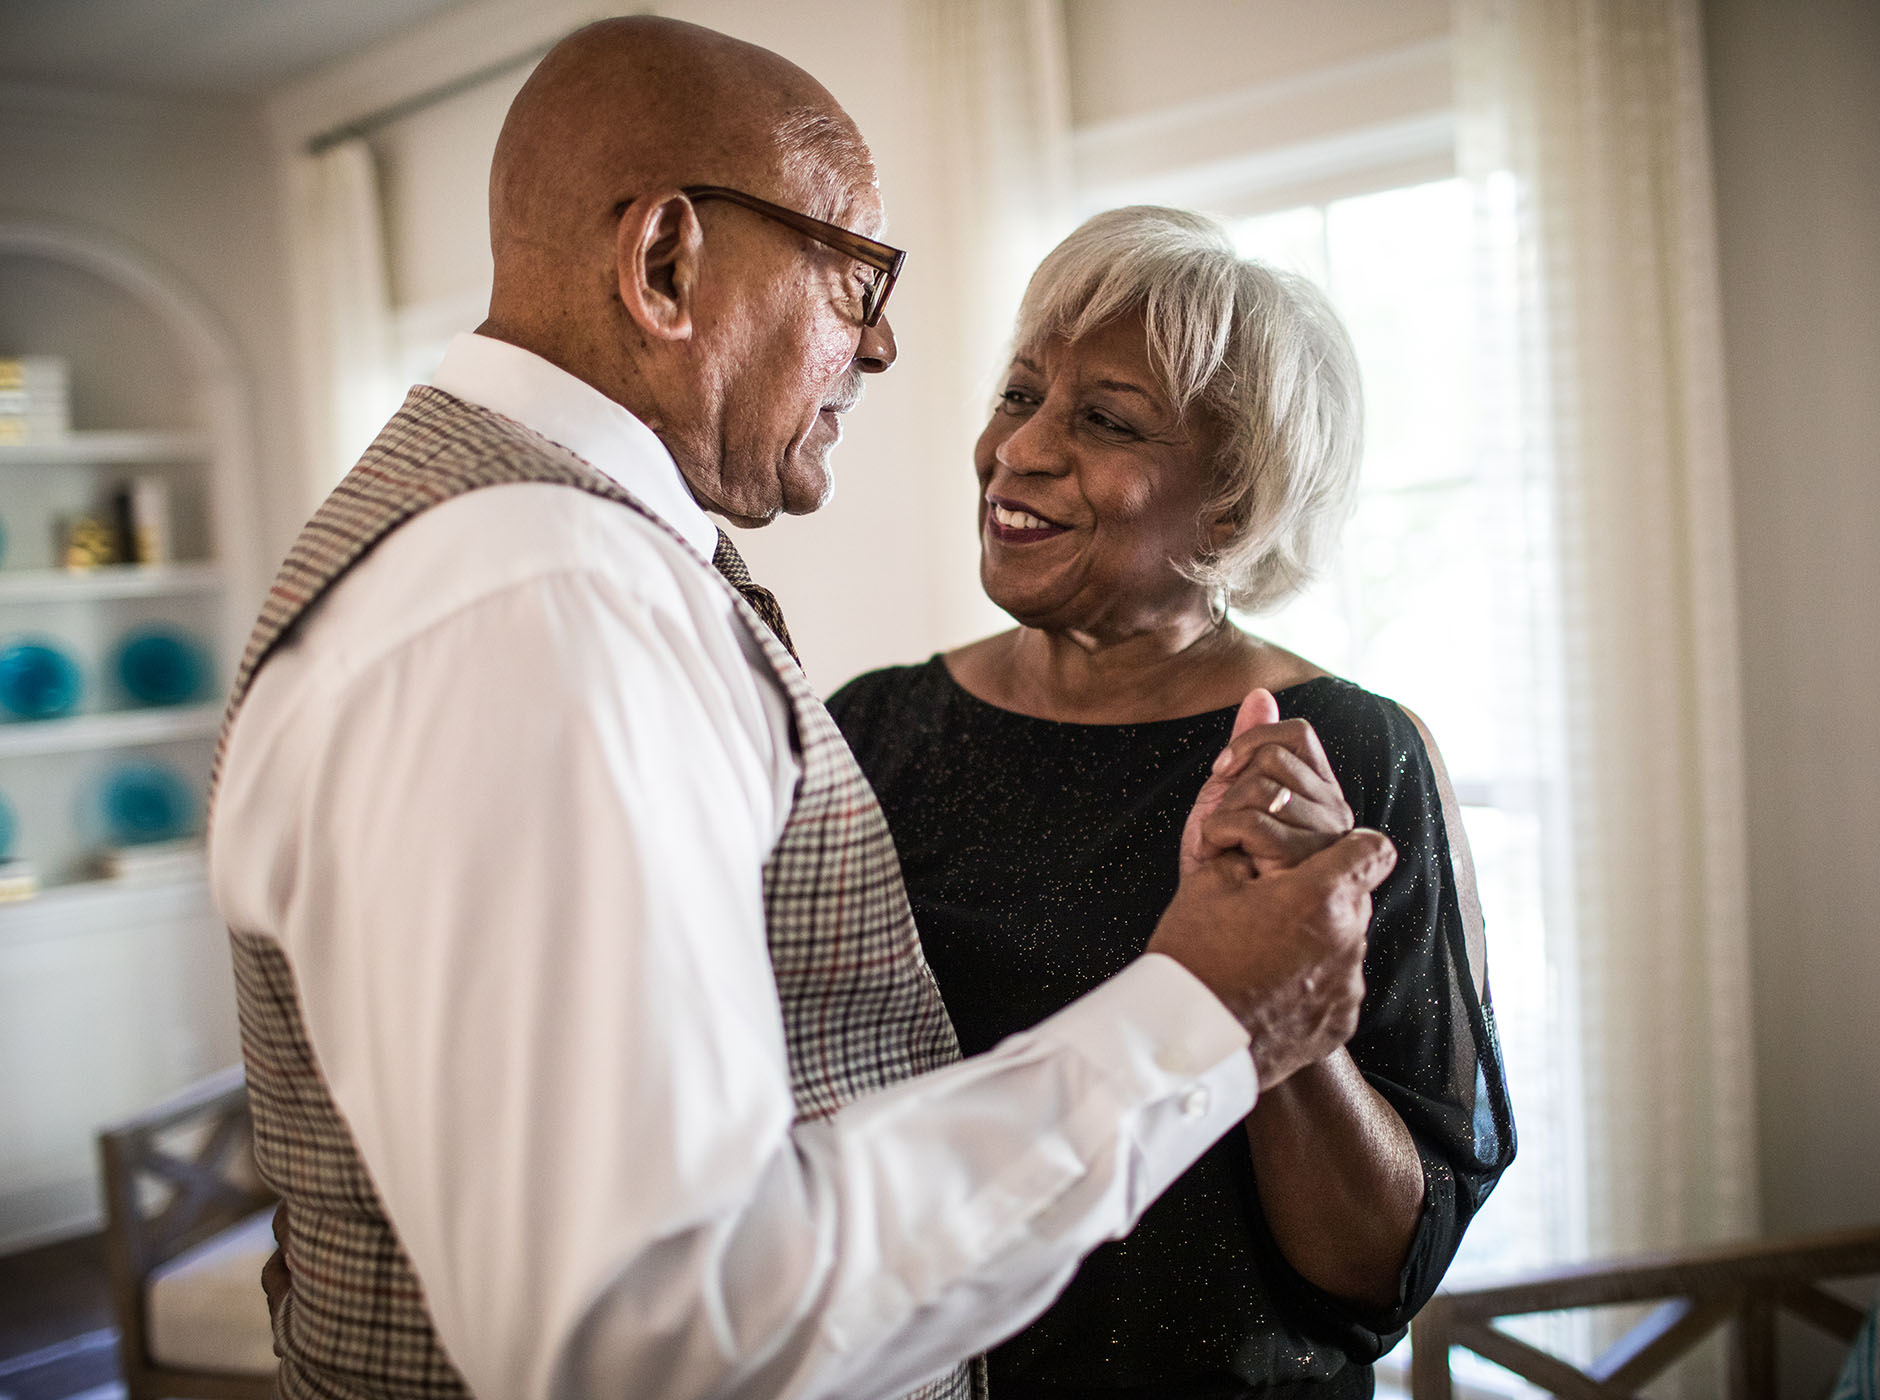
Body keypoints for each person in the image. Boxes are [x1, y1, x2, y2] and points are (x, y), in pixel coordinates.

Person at [208, 21, 1400, 1400]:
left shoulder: (538, 567)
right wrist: (1200, 1019)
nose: (886, 347)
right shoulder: (538, 597)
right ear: (668, 265)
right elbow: (650, 1333)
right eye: (856, 277)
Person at [828, 207, 1517, 1399]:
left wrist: (1277, 995)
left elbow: (1377, 1267)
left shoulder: (1356, 757)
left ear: (1233, 506)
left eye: (1103, 419)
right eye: (1018, 392)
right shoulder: (869, 729)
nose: (1020, 449)